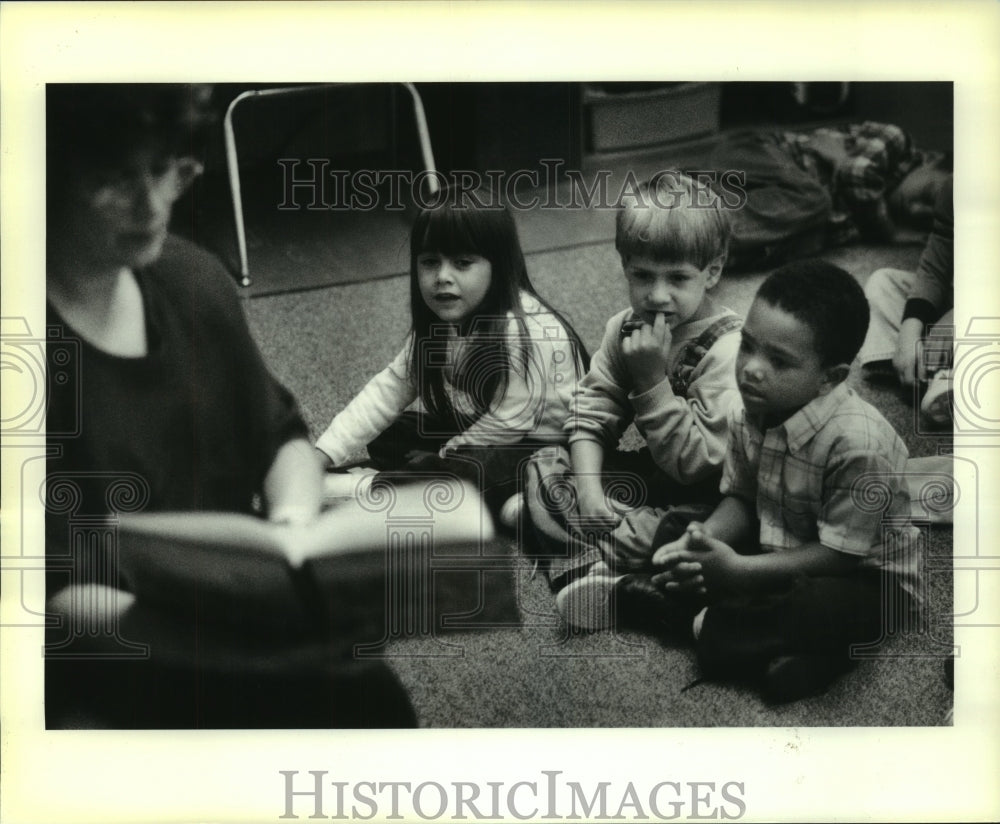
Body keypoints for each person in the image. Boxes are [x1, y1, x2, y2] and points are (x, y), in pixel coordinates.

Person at [44, 84, 415, 728]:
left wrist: (295, 535)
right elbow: (43, 599)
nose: (151, 203)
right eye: (112, 179)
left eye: (165, 169)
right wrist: (207, 638)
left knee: (372, 703)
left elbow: (281, 439)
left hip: (223, 610)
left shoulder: (192, 279)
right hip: (109, 653)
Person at [650, 261, 922, 703]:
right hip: (784, 533)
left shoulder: (860, 446)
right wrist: (704, 542)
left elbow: (838, 556)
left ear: (829, 378)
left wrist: (738, 572)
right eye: (748, 347)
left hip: (862, 577)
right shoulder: (750, 407)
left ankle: (708, 627)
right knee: (677, 529)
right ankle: (765, 645)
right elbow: (740, 496)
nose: (752, 370)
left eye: (779, 360)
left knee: (818, 607)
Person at [525, 172, 743, 630]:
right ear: (624, 265)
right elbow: (592, 409)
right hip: (653, 475)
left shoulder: (728, 351)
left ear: (713, 271)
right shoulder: (623, 326)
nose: (657, 295)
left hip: (708, 497)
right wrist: (588, 488)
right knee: (545, 460)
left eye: (678, 278)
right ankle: (596, 562)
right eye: (642, 275)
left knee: (681, 537)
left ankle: (581, 562)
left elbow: (697, 463)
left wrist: (650, 380)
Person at [314, 186, 589, 526]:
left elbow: (510, 423)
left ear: (498, 266)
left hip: (549, 450)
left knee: (464, 474)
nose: (442, 277)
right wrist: (322, 452)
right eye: (430, 262)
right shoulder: (442, 323)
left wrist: (444, 455)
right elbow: (388, 389)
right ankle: (432, 484)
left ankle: (360, 491)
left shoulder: (524, 329)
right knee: (394, 432)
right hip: (491, 428)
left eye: (462, 263)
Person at [706, 121, 953, 270]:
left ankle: (692, 241)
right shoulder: (897, 142)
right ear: (932, 160)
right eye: (929, 196)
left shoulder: (872, 211)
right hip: (755, 154)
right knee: (818, 201)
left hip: (750, 195)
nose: (915, 210)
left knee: (802, 240)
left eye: (927, 218)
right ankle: (699, 225)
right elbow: (856, 175)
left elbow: (837, 227)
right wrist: (888, 232)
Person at [859, 175, 954, 424]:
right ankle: (919, 369)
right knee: (884, 283)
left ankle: (953, 377)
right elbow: (935, 268)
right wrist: (909, 331)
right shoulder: (955, 187)